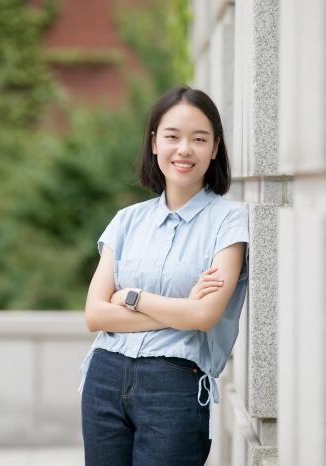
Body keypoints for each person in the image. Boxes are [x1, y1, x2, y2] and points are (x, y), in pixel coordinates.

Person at [79, 85, 249, 466]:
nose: (184, 149)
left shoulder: (230, 221)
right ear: (155, 143)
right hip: (104, 377)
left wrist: (134, 298)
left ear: (215, 147)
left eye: (199, 139)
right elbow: (95, 315)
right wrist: (182, 307)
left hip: (174, 385)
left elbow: (204, 317)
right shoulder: (127, 221)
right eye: (172, 136)